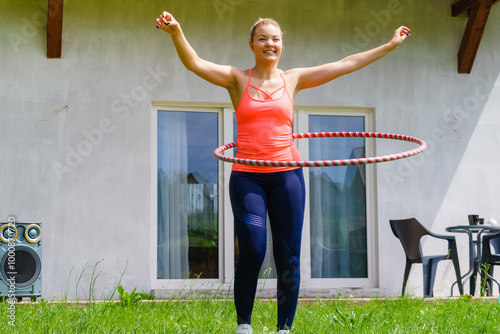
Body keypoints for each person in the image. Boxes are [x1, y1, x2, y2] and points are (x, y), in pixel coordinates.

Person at [156, 11, 410, 334]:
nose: (269, 43)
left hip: (287, 175)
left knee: (288, 254)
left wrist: (389, 45)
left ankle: (283, 329)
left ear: (282, 46)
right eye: (262, 38)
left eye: (275, 38)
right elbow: (195, 63)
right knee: (253, 248)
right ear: (251, 45)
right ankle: (244, 326)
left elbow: (346, 63)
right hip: (247, 175)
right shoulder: (237, 79)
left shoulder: (293, 79)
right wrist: (177, 31)